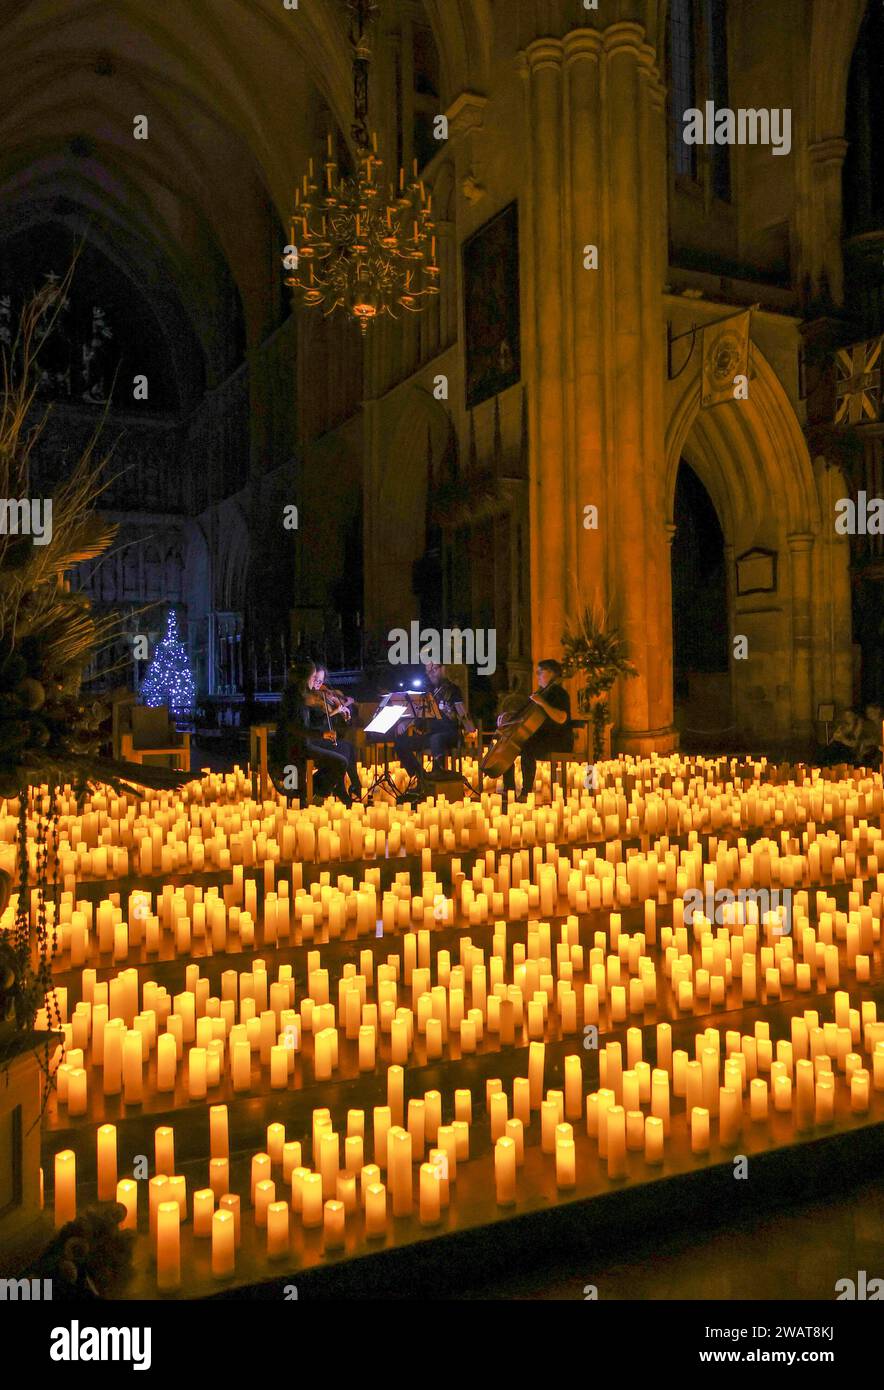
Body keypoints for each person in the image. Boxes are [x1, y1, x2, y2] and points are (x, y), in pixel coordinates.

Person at [271, 660, 352, 804]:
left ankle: (312, 791)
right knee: (340, 762)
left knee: (342, 754)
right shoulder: (295, 698)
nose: (316, 681)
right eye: (314, 677)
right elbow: (294, 728)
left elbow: (303, 725)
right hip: (294, 747)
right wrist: (321, 734)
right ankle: (314, 793)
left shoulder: (299, 694)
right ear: (305, 677)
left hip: (301, 743)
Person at [501, 658, 572, 801]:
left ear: (551, 673)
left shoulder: (559, 693)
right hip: (541, 737)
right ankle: (508, 790)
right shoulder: (542, 693)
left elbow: (561, 718)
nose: (537, 675)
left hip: (557, 739)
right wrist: (510, 717)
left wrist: (542, 703)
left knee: (528, 747)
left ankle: (526, 792)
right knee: (510, 748)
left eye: (540, 672)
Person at [394, 660, 471, 787]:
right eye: (428, 672)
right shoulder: (428, 692)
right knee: (400, 743)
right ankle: (419, 774)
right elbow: (418, 712)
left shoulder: (453, 690)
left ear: (443, 669)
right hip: (431, 735)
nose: (431, 674)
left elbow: (463, 715)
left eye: (434, 670)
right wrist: (406, 723)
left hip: (450, 734)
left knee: (437, 738)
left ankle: (438, 769)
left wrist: (453, 714)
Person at [309, 664, 361, 800]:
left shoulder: (321, 696)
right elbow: (314, 722)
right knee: (344, 749)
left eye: (320, 681)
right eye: (315, 680)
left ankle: (354, 784)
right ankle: (339, 788)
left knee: (349, 747)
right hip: (313, 738)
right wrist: (336, 711)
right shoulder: (308, 697)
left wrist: (342, 714)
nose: (318, 685)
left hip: (324, 737)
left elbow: (326, 719)